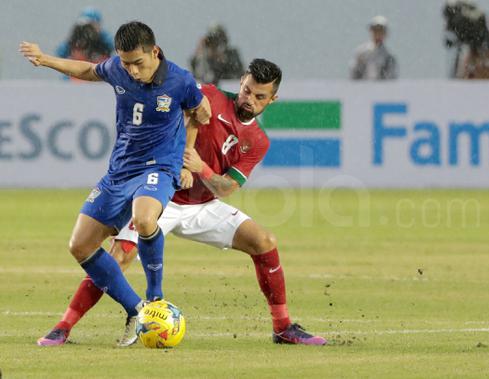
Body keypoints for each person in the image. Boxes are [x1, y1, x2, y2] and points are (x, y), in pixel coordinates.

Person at [36, 59, 327, 346]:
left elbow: (227, 187)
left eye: (260, 96)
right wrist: (182, 161)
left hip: (204, 206)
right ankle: (64, 326)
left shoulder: (258, 140)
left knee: (264, 241)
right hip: (162, 197)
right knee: (119, 257)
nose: (249, 99)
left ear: (272, 99)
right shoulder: (210, 95)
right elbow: (189, 116)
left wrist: (201, 168)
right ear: (241, 81)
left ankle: (283, 327)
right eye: (247, 90)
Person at [20, 20, 211, 346]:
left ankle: (155, 300)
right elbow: (87, 69)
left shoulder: (180, 81)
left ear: (155, 51)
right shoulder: (119, 70)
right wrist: (46, 59)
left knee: (144, 218)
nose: (133, 71)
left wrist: (188, 147)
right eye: (126, 63)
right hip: (119, 171)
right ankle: (136, 308)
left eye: (138, 62)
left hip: (158, 168)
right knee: (79, 245)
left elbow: (202, 112)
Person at [350, 15, 398, 80]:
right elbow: (354, 75)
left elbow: (391, 79)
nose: (378, 34)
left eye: (380, 30)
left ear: (385, 33)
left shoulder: (389, 57)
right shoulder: (361, 53)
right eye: (375, 30)